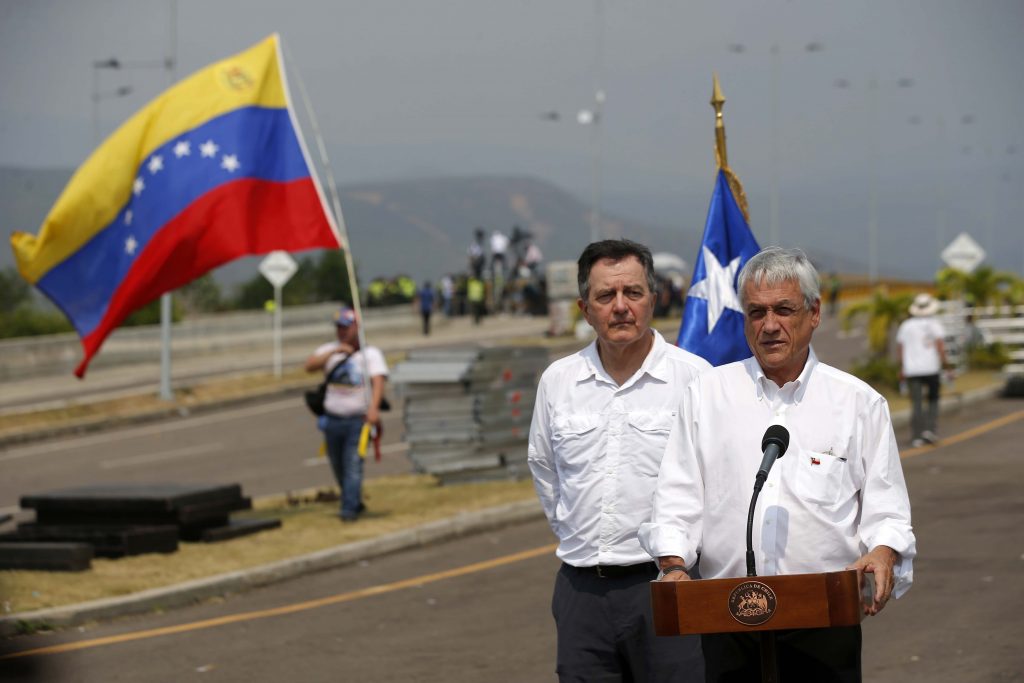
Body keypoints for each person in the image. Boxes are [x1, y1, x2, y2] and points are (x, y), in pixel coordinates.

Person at [639, 247, 916, 682]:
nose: (769, 326)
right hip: (728, 620)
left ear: (814, 313)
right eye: (756, 312)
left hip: (823, 621)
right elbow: (677, 494)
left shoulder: (857, 403)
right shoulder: (707, 395)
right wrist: (673, 565)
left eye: (784, 310)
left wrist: (882, 552)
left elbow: (887, 508)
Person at [528, 239, 711, 682]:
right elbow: (546, 471)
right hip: (581, 592)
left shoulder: (695, 379)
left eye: (633, 293)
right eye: (605, 296)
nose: (621, 307)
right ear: (585, 308)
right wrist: (582, 535)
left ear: (654, 297)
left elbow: (717, 483)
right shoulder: (559, 381)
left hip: (669, 585)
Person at [304, 306, 389, 522]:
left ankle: (348, 510)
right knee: (338, 466)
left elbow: (378, 382)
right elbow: (309, 366)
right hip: (332, 419)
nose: (341, 332)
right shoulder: (331, 350)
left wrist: (374, 409)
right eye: (338, 327)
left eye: (345, 327)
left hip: (357, 421)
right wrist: (336, 351)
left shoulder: (370, 354)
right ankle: (354, 501)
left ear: (356, 328)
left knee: (353, 465)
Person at [896, 293, 947, 447]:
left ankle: (916, 436)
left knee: (916, 403)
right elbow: (940, 347)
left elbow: (900, 348)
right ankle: (929, 430)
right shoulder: (935, 324)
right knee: (933, 400)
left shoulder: (906, 325)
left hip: (912, 370)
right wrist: (947, 365)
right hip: (931, 368)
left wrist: (902, 367)